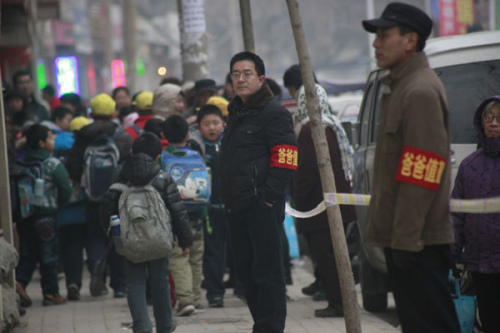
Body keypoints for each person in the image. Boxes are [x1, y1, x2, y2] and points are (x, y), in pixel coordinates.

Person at [362, 3, 460, 332]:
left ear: (409, 40)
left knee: (430, 325)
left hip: (418, 243)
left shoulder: (419, 90)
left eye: (384, 35)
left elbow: (422, 172)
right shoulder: (402, 86)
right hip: (408, 239)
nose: (376, 43)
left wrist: (405, 239)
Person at [220, 51, 297, 333]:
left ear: (261, 78)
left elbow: (286, 160)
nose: (241, 79)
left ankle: (270, 327)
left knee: (267, 273)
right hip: (236, 207)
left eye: (247, 73)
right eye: (236, 74)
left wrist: (267, 199)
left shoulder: (274, 113)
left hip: (261, 207)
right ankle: (261, 324)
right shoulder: (236, 112)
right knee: (245, 275)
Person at [100, 132, 193, 333]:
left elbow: (106, 208)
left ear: (132, 152)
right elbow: (178, 210)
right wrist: (185, 240)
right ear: (158, 156)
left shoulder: (120, 178)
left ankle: (142, 326)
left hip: (130, 242)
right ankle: (165, 325)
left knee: (134, 284)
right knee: (160, 283)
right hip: (159, 240)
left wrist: (112, 236)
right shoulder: (163, 178)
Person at [284, 65, 357, 317]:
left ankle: (338, 304)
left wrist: (299, 201)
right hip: (334, 205)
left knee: (327, 258)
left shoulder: (310, 129)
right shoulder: (332, 124)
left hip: (318, 208)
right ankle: (341, 303)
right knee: (335, 255)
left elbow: (305, 171)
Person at [67, 93, 132, 298]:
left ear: (92, 114)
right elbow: (128, 166)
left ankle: (97, 269)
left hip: (91, 198)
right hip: (117, 197)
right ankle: (120, 286)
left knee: (95, 235)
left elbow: (74, 166)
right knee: (117, 238)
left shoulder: (83, 136)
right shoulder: (122, 136)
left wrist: (85, 183)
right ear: (114, 112)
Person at [451, 96, 500, 333]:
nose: (493, 123)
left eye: (499, 118)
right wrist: (450, 252)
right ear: (480, 123)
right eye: (489, 118)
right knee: (489, 322)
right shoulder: (469, 166)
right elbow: (456, 214)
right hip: (481, 262)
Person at [15, 124, 72, 306]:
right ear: (41, 143)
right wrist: (58, 206)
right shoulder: (52, 163)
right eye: (49, 138)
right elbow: (65, 188)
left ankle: (19, 282)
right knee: (49, 256)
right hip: (46, 217)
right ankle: (51, 293)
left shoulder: (21, 163)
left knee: (28, 253)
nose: (53, 141)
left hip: (24, 216)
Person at [160, 115, 207, 316]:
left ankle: (185, 300)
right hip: (197, 214)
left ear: (163, 135)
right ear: (188, 135)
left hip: (174, 219)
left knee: (179, 257)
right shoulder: (196, 156)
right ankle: (196, 299)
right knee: (196, 257)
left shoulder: (162, 158)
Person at [190, 105, 228, 308]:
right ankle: (215, 293)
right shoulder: (195, 148)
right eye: (207, 124)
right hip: (209, 209)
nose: (212, 128)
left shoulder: (230, 142)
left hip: (232, 206)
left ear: (223, 123)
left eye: (215, 123)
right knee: (212, 252)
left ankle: (243, 288)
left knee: (238, 250)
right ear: (199, 126)